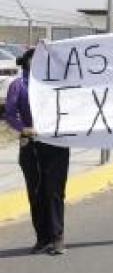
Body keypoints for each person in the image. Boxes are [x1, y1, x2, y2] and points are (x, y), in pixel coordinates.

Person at [4, 48, 70, 255]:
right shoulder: (18, 85)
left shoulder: (57, 84)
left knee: (54, 191)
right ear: (27, 63)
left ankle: (57, 238)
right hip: (30, 145)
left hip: (56, 144)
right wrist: (23, 128)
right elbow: (10, 113)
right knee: (36, 192)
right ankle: (42, 238)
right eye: (35, 59)